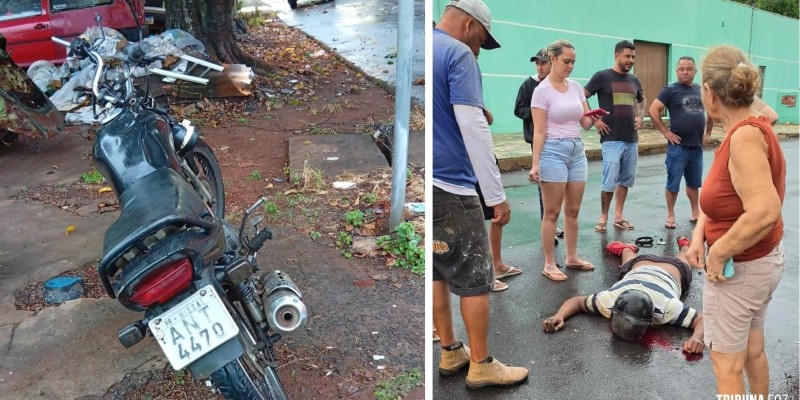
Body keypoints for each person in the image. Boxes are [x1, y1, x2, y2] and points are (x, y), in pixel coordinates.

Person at [432, 0, 528, 389]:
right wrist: (496, 196)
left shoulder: (429, 46)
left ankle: (450, 351)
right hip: (454, 186)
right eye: (481, 41)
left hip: (428, 181)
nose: (478, 50)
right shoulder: (458, 54)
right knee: (474, 278)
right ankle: (482, 363)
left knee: (438, 271)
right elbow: (473, 128)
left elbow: (450, 114)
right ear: (469, 25)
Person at [685, 46, 786, 397]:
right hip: (759, 264)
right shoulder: (748, 126)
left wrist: (719, 252)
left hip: (741, 270)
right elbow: (722, 198)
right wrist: (699, 237)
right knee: (752, 351)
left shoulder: (742, 138)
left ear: (710, 94)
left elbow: (763, 209)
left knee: (727, 366)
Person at [542, 237, 704, 354]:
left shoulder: (667, 307)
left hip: (663, 267)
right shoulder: (610, 299)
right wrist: (559, 315)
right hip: (645, 266)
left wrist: (698, 338)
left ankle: (683, 247)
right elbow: (576, 301)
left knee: (685, 261)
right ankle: (681, 247)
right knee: (632, 264)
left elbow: (577, 301)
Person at [528, 40, 599, 282]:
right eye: (566, 61)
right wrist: (535, 163)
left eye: (573, 62)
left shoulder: (577, 87)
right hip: (552, 151)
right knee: (552, 212)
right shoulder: (542, 91)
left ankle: (572, 257)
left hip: (577, 150)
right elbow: (539, 131)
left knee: (573, 210)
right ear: (553, 59)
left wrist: (595, 117)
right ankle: (549, 263)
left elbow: (585, 124)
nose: (570, 66)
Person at [584, 40, 646, 233]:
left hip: (631, 138)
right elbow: (581, 96)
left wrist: (640, 116)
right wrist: (595, 120)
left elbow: (642, 101)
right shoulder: (602, 76)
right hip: (611, 138)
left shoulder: (634, 80)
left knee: (625, 179)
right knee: (609, 180)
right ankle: (603, 216)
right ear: (616, 55)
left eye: (633, 57)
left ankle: (618, 216)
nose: (630, 60)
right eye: (627, 56)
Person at [648, 56, 709, 230]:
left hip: (696, 147)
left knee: (694, 183)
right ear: (676, 71)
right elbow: (653, 110)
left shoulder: (700, 90)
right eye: (681, 69)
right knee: (673, 183)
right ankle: (671, 214)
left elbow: (711, 111)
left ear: (695, 72)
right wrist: (665, 132)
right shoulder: (670, 90)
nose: (685, 72)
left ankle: (695, 213)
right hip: (678, 147)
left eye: (688, 69)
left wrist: (708, 131)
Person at [514, 48, 563, 246]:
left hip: (558, 139)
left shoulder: (557, 84)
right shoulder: (529, 84)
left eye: (543, 63)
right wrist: (538, 113)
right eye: (537, 63)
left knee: (557, 185)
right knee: (545, 184)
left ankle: (553, 223)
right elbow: (519, 109)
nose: (540, 67)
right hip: (538, 140)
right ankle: (547, 225)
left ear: (552, 62)